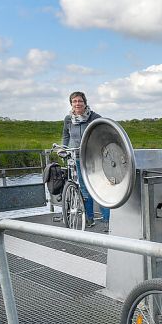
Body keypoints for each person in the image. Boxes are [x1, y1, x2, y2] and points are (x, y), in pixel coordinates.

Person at [61, 91, 110, 228]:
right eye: (74, 101)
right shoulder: (68, 119)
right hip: (76, 157)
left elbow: (103, 134)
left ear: (85, 102)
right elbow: (66, 136)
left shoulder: (94, 117)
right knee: (84, 189)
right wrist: (63, 148)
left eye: (80, 101)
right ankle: (89, 218)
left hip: (93, 158)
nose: (77, 104)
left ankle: (107, 220)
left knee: (99, 186)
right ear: (71, 103)